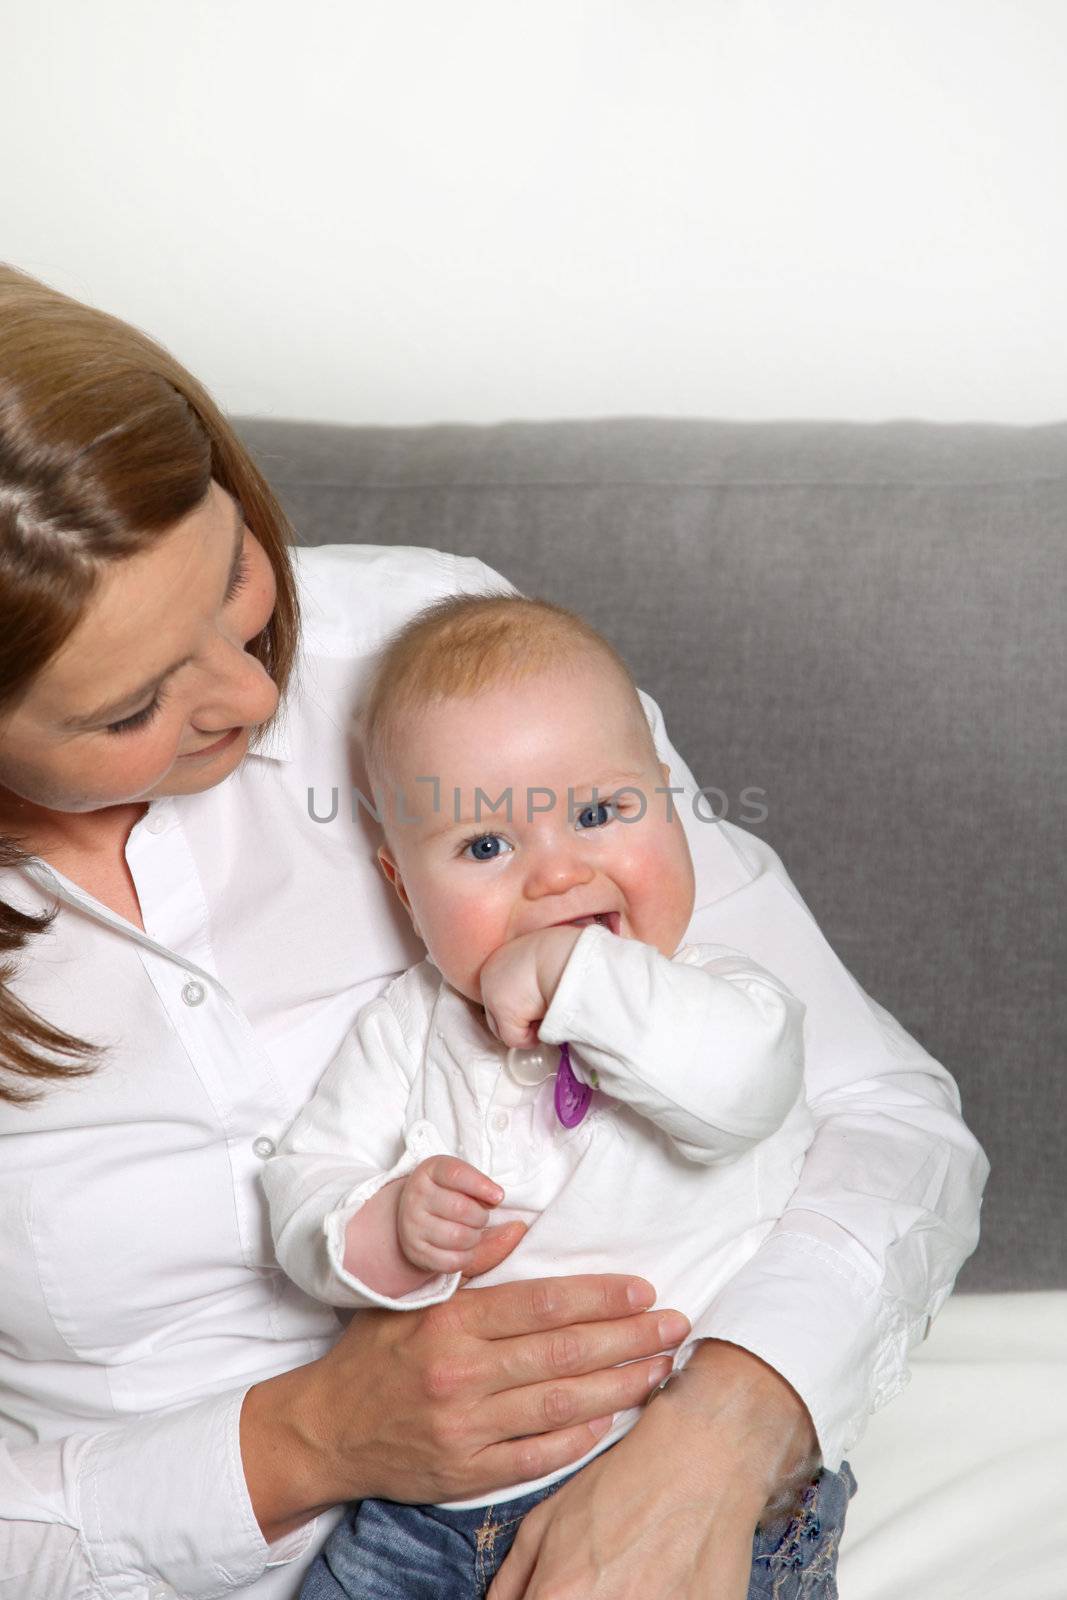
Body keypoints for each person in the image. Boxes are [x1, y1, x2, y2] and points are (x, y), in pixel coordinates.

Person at [0, 263, 988, 1600]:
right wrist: (302, 1440)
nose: (252, 692)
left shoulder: (431, 651)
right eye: (129, 710)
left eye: (234, 574)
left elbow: (873, 1112)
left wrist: (718, 1432)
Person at [264, 591, 861, 1600]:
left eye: (596, 813)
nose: (555, 873)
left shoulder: (723, 999)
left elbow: (739, 1097)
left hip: (684, 1493)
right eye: (485, 847)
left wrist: (573, 977)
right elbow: (303, 1177)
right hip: (426, 1513)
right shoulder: (409, 1026)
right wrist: (384, 1233)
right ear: (403, 889)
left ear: (668, 807)